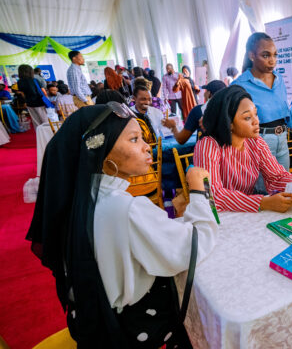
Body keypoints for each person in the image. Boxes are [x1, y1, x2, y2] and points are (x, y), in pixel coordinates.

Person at [27, 103, 218, 347]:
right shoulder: (126, 209)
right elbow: (191, 248)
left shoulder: (83, 199)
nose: (146, 147)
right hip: (133, 326)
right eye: (135, 139)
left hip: (93, 322)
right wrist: (198, 190)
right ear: (103, 156)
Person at [194, 85, 292, 213]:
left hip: (247, 212)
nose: (256, 121)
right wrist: (262, 202)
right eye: (247, 118)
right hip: (219, 217)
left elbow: (276, 176)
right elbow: (213, 195)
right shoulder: (208, 145)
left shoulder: (255, 142)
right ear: (229, 123)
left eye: (256, 114)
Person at [234, 32, 292, 172]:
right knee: (263, 190)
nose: (272, 60)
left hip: (282, 140)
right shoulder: (240, 85)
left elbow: (285, 113)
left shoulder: (279, 80)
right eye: (265, 55)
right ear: (251, 56)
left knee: (283, 185)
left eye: (274, 55)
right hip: (258, 142)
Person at [162, 80, 226, 145]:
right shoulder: (231, 111)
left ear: (209, 94)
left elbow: (181, 139)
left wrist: (173, 127)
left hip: (206, 153)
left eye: (205, 91)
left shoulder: (198, 111)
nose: (204, 94)